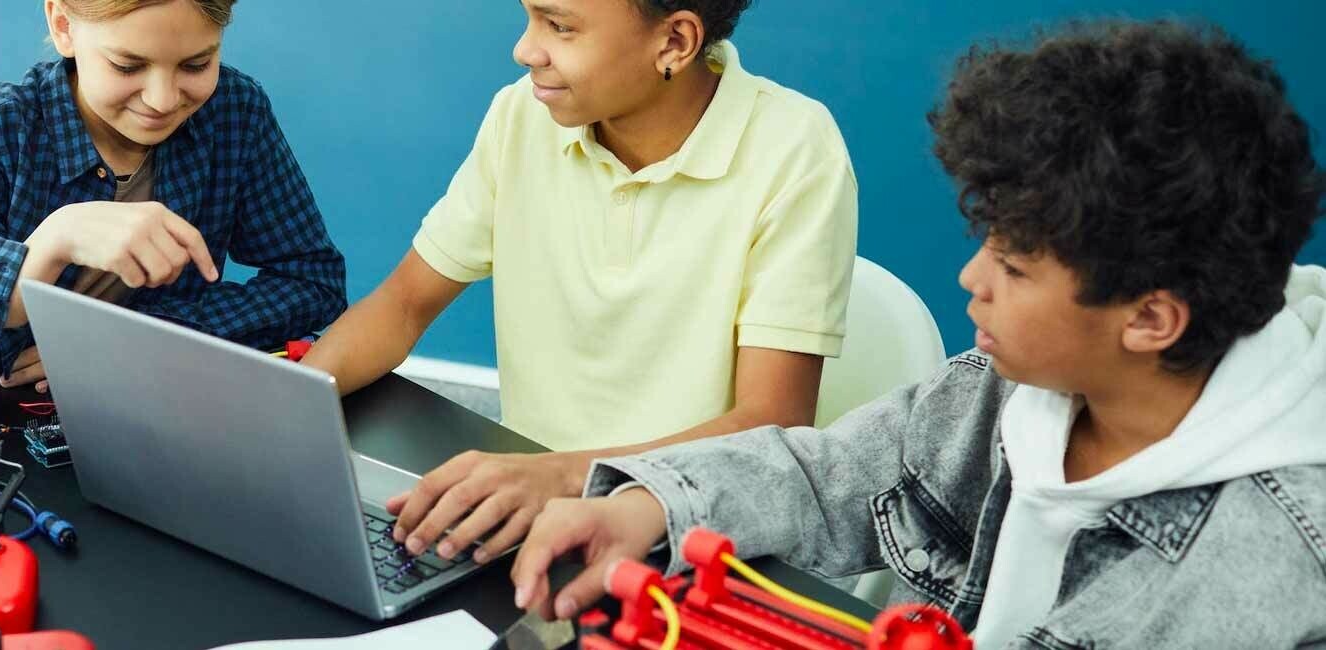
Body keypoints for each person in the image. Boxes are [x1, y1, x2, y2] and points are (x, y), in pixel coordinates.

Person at [511, 20, 1326, 647]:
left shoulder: (1265, 564)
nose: (971, 280)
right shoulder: (1006, 388)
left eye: (1013, 266)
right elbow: (831, 473)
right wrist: (650, 503)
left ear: (1149, 319)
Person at [301, 0, 858, 566]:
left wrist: (569, 475)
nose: (524, 50)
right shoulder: (521, 116)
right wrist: (285, 407)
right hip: (526, 499)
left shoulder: (793, 148)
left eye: (559, 26)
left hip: (687, 532)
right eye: (528, 18)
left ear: (674, 43)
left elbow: (772, 422)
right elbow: (403, 303)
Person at [0, 0, 347, 411]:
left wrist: (129, 341)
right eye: (127, 65)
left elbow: (314, 282)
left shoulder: (234, 110)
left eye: (196, 64)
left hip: (149, 407)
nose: (163, 99)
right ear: (63, 25)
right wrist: (54, 240)